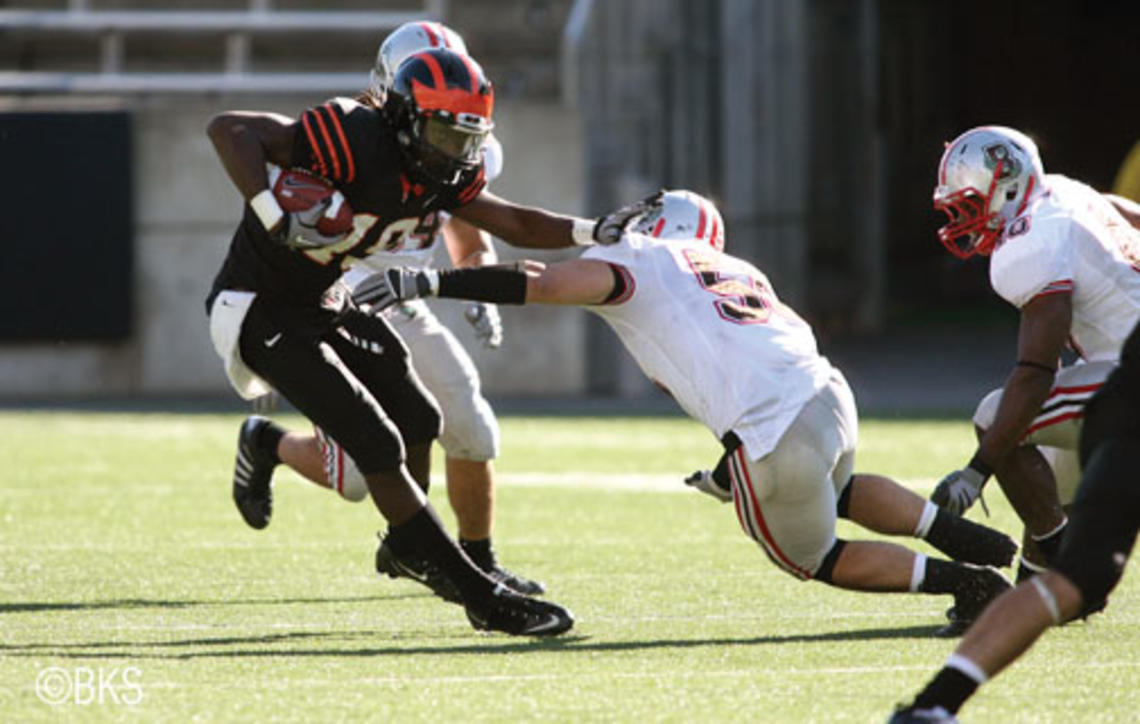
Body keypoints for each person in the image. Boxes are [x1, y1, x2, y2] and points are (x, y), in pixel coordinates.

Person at [353, 189, 1021, 635]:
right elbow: (742, 370)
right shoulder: (740, 271)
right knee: (833, 488)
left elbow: (542, 282)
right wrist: (733, 472)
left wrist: (431, 279)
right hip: (828, 398)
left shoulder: (640, 258)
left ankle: (968, 582)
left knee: (809, 555)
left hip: (775, 428)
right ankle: (959, 534)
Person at [206, 46, 624, 636]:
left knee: (419, 415)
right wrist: (272, 211)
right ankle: (478, 593)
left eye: (467, 138)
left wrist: (592, 230)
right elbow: (229, 130)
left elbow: (516, 223)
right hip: (258, 306)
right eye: (444, 135)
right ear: (402, 118)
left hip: (323, 299)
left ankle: (408, 545)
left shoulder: (436, 170)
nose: (456, 153)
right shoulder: (350, 134)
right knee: (373, 441)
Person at [233, 21, 543, 601]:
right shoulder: (353, 135)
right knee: (354, 477)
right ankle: (267, 442)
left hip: (405, 299)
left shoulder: (461, 140)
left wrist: (475, 283)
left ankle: (480, 561)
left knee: (468, 420)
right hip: (341, 298)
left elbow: (468, 227)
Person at [889, 319, 1140, 723]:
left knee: (1075, 578)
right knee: (1077, 576)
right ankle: (935, 704)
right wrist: (979, 470)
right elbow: (1039, 365)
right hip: (1125, 406)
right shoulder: (1035, 257)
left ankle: (934, 704)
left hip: (1118, 400)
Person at [928, 126, 1140, 584]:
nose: (963, 220)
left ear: (1006, 187)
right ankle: (1034, 587)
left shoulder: (1030, 241)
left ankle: (1070, 568)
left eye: (969, 206)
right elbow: (1128, 214)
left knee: (996, 417)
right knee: (1049, 472)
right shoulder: (1062, 191)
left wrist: (976, 471)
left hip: (1130, 377)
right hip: (1117, 364)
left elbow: (1037, 372)